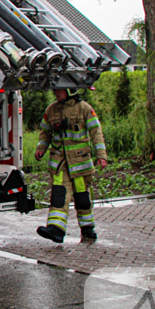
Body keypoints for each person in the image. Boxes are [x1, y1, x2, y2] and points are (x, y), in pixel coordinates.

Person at [34, 87, 108, 243]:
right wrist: (41, 149)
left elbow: (96, 132)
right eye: (54, 88)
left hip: (80, 163)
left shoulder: (84, 109)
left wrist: (101, 156)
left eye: (60, 89)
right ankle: (56, 230)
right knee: (59, 194)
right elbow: (45, 133)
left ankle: (88, 228)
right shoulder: (51, 110)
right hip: (59, 162)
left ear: (70, 90)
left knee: (82, 197)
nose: (56, 92)